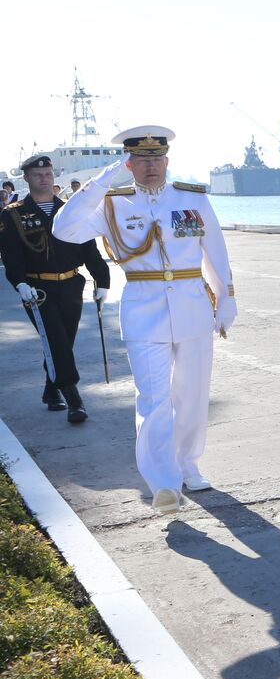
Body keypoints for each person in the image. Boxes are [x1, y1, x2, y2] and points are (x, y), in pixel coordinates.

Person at [52, 126, 235, 514]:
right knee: (153, 399)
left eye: (157, 159)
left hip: (192, 307)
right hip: (143, 311)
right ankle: (164, 483)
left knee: (192, 393)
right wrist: (98, 182)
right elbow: (64, 228)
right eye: (141, 161)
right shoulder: (112, 204)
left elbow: (214, 249)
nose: (151, 167)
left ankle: (188, 464)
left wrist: (225, 298)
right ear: (129, 164)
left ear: (167, 161)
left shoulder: (192, 199)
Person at [0, 154, 110, 422]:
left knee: (64, 341)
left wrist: (103, 280)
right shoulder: (13, 214)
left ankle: (51, 391)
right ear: (26, 178)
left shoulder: (71, 209)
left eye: (48, 173)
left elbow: (88, 248)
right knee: (56, 340)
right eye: (38, 175)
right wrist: (20, 282)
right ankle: (74, 399)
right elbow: (10, 254)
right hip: (37, 290)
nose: (44, 178)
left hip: (72, 285)